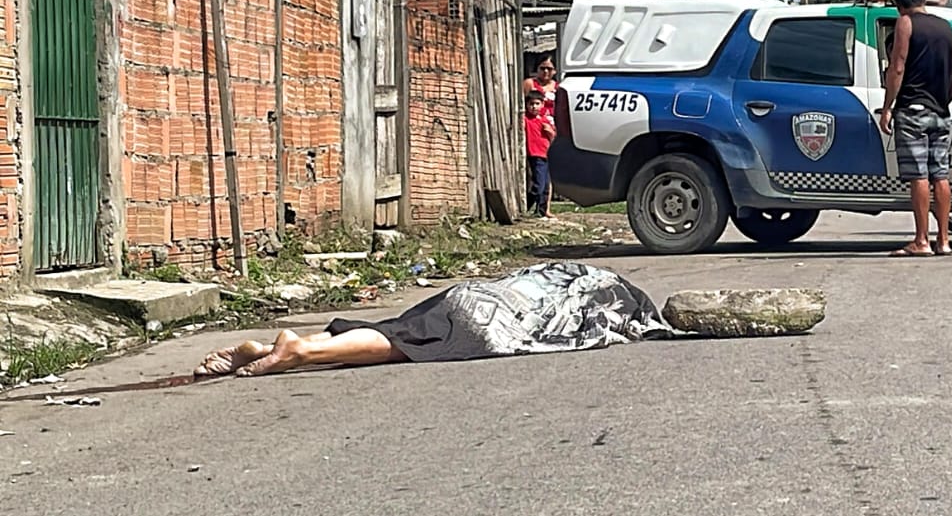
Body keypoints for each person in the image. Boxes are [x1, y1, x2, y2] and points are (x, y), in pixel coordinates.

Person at [193, 262, 676, 377]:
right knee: (404, 348)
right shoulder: (612, 301)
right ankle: (301, 351)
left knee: (399, 329)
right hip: (489, 320)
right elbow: (609, 327)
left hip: (471, 294)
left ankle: (277, 347)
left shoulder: (568, 272)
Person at [879, 0, 952, 257]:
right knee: (940, 174)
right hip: (939, 112)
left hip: (912, 111)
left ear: (899, 5)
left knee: (918, 175)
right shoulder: (946, 27)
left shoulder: (905, 23)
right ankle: (944, 240)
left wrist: (888, 106)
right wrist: (944, 98)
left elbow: (897, 66)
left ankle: (921, 240)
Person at [522, 55, 559, 215]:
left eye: (549, 69)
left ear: (554, 71)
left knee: (547, 174)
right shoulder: (530, 84)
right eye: (542, 68)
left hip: (550, 129)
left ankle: (545, 208)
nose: (545, 72)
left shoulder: (557, 87)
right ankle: (529, 205)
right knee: (537, 175)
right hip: (534, 130)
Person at [525, 90, 556, 217]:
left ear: (542, 104)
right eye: (531, 104)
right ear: (527, 105)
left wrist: (550, 132)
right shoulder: (526, 119)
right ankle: (525, 206)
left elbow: (553, 138)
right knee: (538, 185)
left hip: (546, 154)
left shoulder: (544, 120)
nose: (534, 107)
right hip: (535, 154)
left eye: (537, 104)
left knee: (546, 186)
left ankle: (542, 211)